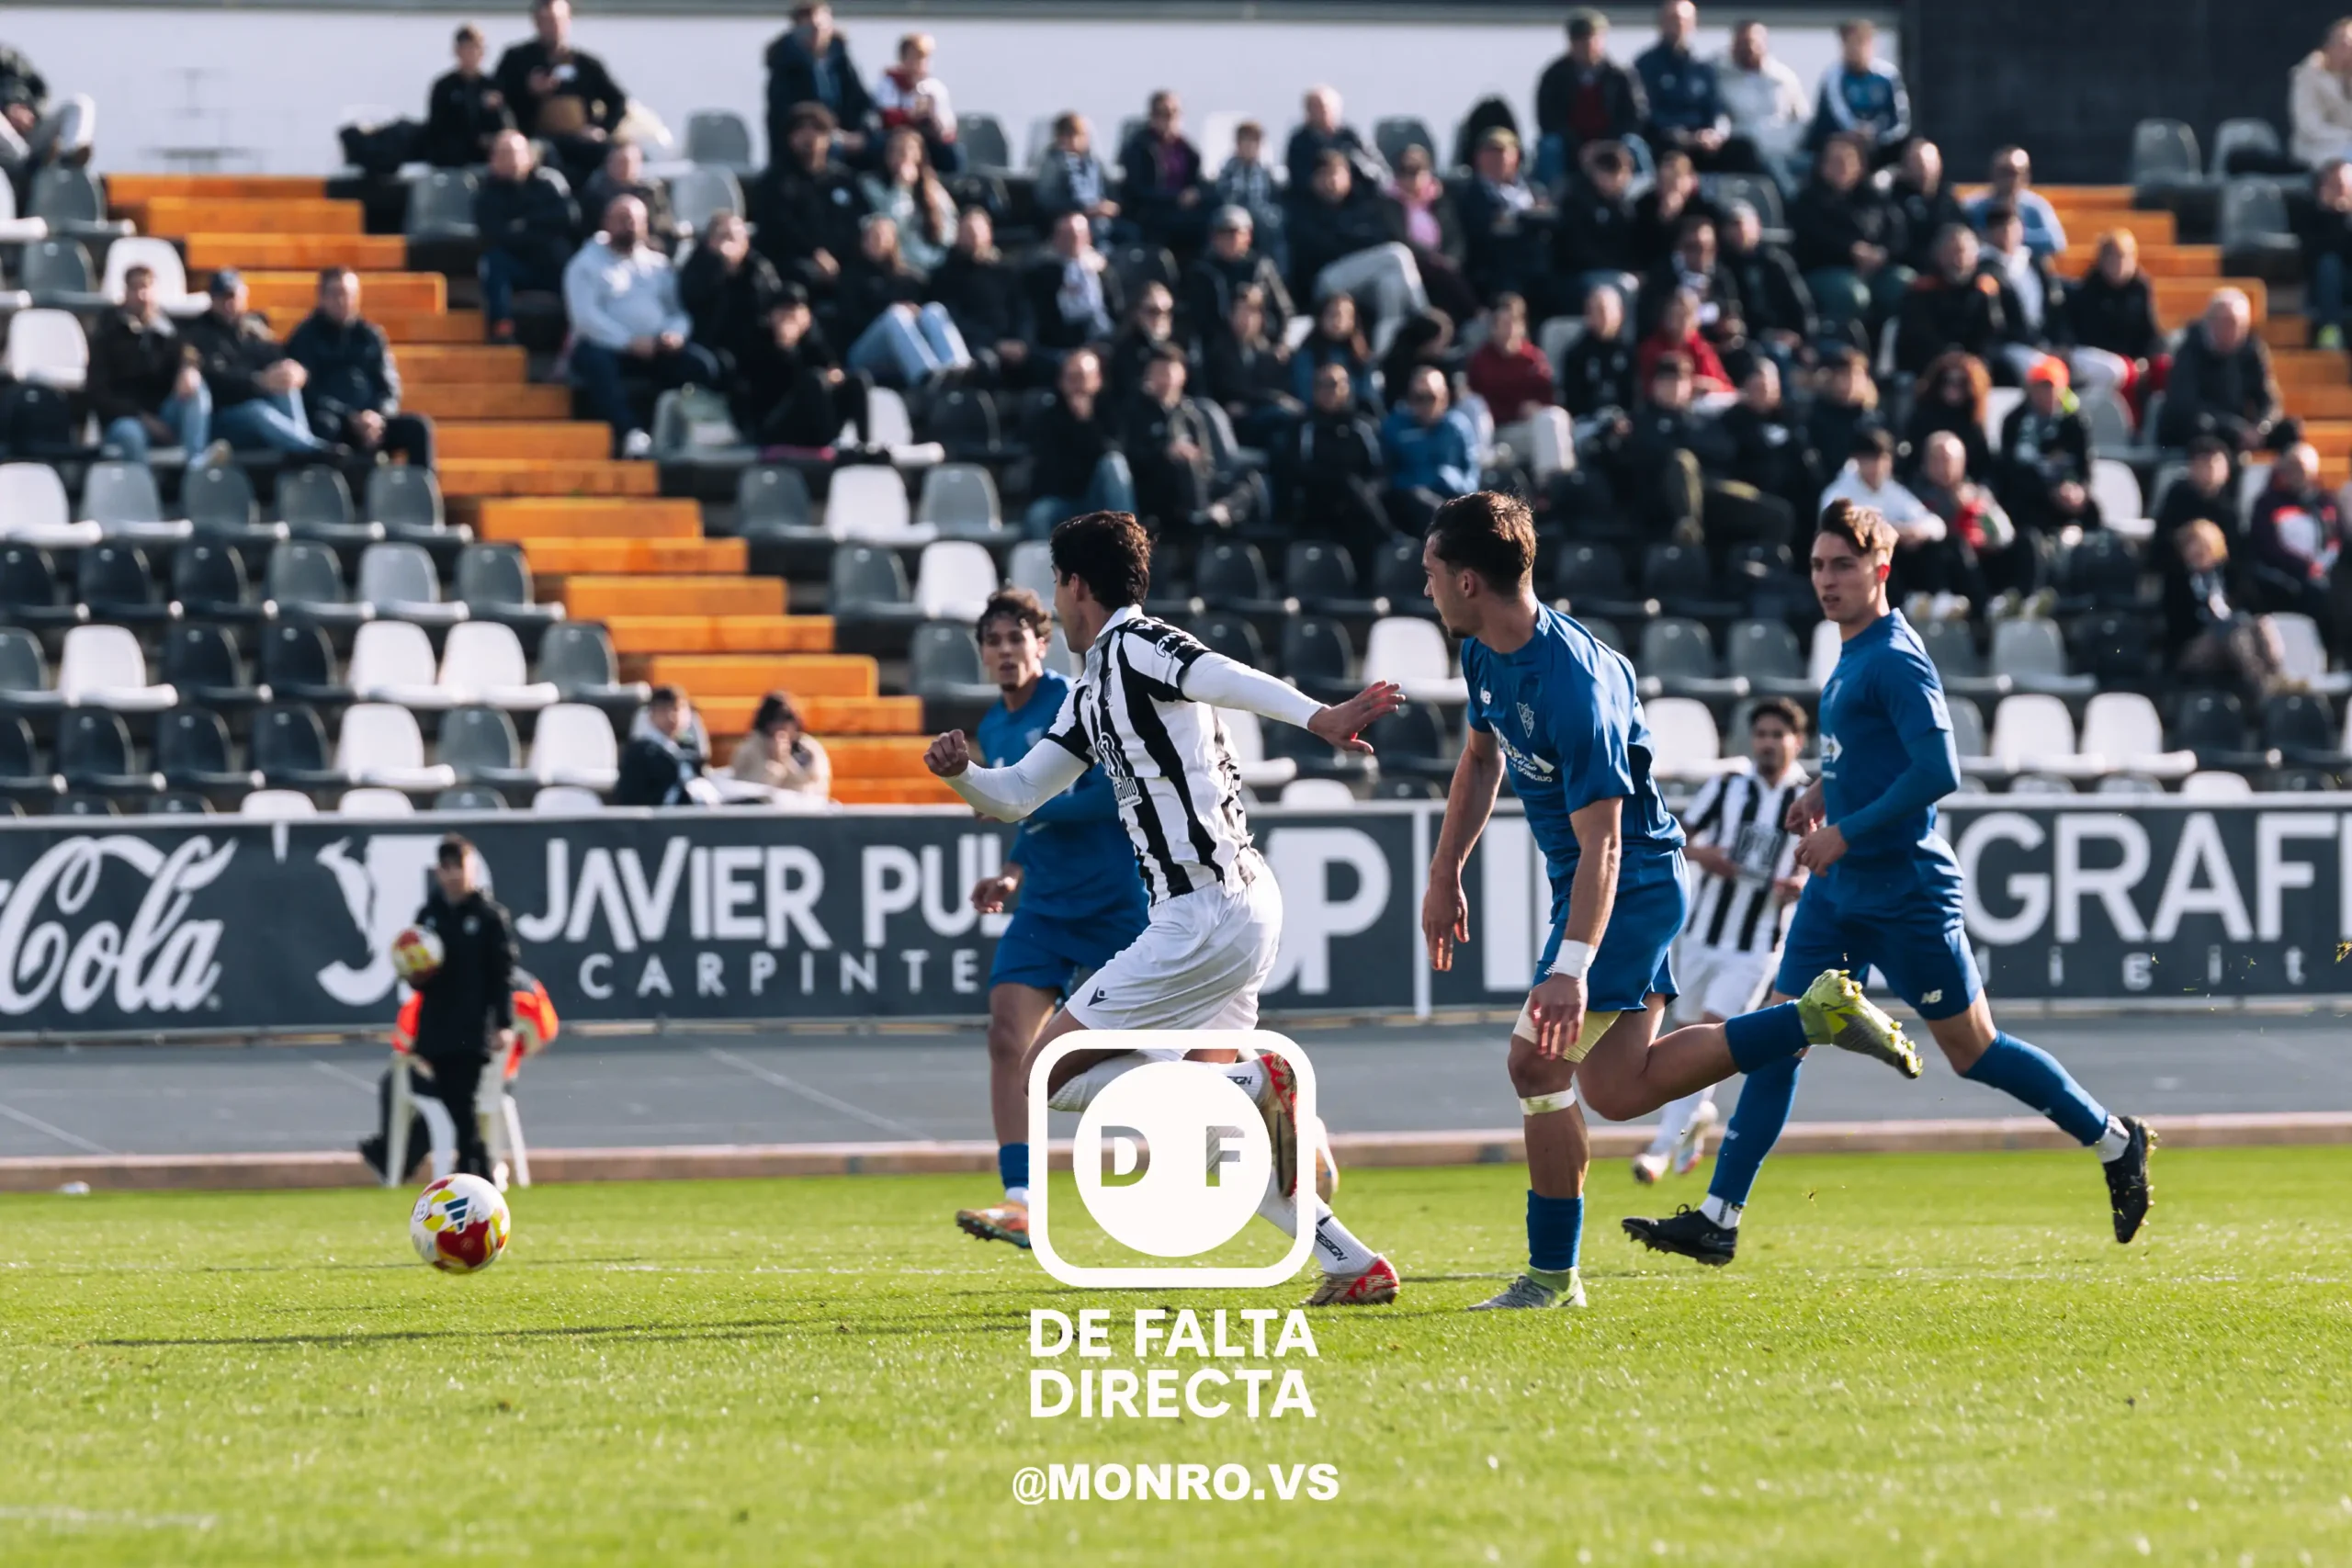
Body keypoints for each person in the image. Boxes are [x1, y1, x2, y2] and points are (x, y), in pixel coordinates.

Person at [1418, 491, 1920, 1311]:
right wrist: (1445, 873)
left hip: (1631, 880)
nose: (1425, 588)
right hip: (1598, 877)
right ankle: (1811, 1017)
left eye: (1432, 572)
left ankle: (1551, 1279)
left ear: (1469, 580)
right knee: (1617, 1089)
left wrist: (1570, 967)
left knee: (1534, 1060)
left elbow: (1608, 842)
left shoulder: (1575, 681)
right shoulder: (1482, 652)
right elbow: (1480, 764)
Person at [1626, 502, 2154, 1269]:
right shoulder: (1850, 652)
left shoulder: (1897, 657)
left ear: (1882, 566)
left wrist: (1846, 828)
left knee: (1974, 1052)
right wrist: (1822, 792)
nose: (1827, 579)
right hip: (1838, 892)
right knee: (1784, 1036)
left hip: (1904, 889)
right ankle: (1718, 1217)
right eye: (1817, 565)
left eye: (1842, 564)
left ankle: (2115, 1139)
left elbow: (1940, 771)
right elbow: (1865, 758)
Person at [924, 510, 1408, 1306]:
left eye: (1056, 581)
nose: (1057, 592)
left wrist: (1319, 717)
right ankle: (1348, 1259)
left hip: (1206, 914)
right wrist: (965, 774)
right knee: (1198, 1126)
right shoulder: (1090, 692)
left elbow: (1217, 673)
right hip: (1227, 911)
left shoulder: (1136, 644)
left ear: (1076, 586)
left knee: (1048, 1067)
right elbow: (1017, 796)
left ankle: (1254, 1083)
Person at [951, 588, 1151, 1249]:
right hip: (1045, 905)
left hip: (1116, 899)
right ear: (982, 653)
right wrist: (1011, 871)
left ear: (1041, 643)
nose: (1005, 651)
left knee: (1162, 1054)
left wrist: (1009, 802)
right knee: (1007, 1035)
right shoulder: (995, 726)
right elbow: (1030, 819)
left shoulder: (1073, 698)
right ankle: (1021, 1200)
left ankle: (1262, 1121)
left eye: (1017, 638)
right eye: (994, 641)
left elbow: (1102, 795)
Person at [1634, 697, 1810, 1186]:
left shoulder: (1809, 795)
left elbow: (1828, 861)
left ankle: (1660, 1149)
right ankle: (1698, 1116)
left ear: (1798, 741)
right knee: (1683, 1041)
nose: (1768, 744)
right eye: (1761, 735)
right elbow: (1680, 837)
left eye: (1778, 734)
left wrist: (1802, 884)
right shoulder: (1728, 786)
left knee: (1712, 1034)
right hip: (1703, 935)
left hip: (1758, 943)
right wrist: (1707, 856)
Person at [395, 836, 520, 1182]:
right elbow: (420, 980)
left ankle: (470, 1172)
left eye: (458, 868)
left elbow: (503, 974)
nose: (452, 876)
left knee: (462, 1100)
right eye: (446, 868)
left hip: (473, 1026)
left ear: (472, 870)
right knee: (454, 1102)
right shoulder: (429, 916)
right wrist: (412, 972)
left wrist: (503, 1023)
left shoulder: (489, 917)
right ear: (438, 872)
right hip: (436, 1026)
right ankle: (482, 1168)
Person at [363, 965, 556, 1186]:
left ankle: (393, 1160)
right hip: (498, 1084)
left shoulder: (445, 981)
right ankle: (478, 1161)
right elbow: (543, 1037)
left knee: (400, 1081)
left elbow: (404, 1040)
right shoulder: (528, 987)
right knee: (456, 1103)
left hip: (447, 1081)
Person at [563, 195, 722, 458]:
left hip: (655, 346)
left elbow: (677, 311)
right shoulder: (584, 264)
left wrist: (674, 334)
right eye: (622, 219)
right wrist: (628, 342)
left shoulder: (658, 265)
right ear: (606, 222)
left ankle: (687, 431)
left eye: (636, 220)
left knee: (702, 365)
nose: (630, 226)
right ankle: (630, 433)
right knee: (595, 362)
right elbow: (585, 318)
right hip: (606, 347)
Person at [286, 267, 435, 469]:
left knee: (418, 427)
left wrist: (377, 416)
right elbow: (309, 394)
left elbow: (390, 388)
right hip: (333, 421)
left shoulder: (371, 336)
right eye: (335, 294)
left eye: (348, 294)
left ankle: (420, 494)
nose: (342, 301)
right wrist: (350, 417)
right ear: (321, 298)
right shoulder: (304, 338)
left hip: (372, 423)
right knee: (324, 426)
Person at [182, 270, 334, 458]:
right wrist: (259, 382)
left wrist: (295, 371)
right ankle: (311, 449)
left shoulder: (255, 328)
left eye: (233, 296)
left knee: (285, 384)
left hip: (263, 410)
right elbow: (216, 381)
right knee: (256, 411)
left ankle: (302, 448)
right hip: (221, 417)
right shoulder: (199, 333)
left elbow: (279, 359)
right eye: (223, 297)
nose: (229, 303)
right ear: (212, 299)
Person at [492, 0, 626, 189]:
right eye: (545, 21)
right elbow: (497, 98)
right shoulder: (516, 59)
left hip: (579, 138)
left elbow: (618, 100)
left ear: (568, 21)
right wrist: (527, 90)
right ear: (536, 22)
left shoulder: (587, 64)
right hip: (537, 138)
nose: (552, 27)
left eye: (557, 20)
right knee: (542, 156)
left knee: (614, 155)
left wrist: (602, 128)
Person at [1791, 132, 1908, 340]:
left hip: (1876, 268)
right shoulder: (1808, 199)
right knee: (1852, 294)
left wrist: (1883, 253)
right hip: (1827, 269)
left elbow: (1895, 229)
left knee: (1904, 284)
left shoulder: (1873, 197)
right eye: (1834, 161)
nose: (1841, 167)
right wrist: (1850, 250)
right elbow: (1812, 237)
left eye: (1847, 161)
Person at [90, 265, 210, 464]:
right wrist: (142, 418)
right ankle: (146, 492)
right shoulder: (108, 333)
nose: (142, 295)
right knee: (131, 435)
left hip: (163, 413)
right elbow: (98, 392)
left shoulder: (165, 328)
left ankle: (196, 467)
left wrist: (189, 368)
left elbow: (189, 351)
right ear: (125, 292)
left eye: (146, 287)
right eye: (135, 288)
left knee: (198, 390)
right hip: (125, 418)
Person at [1287, 149, 1419, 328]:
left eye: (1336, 174)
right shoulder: (1303, 210)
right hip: (1325, 280)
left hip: (1361, 278)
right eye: (1324, 175)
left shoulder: (1360, 203)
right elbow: (1325, 248)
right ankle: (1424, 316)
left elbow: (1378, 237)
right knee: (1398, 253)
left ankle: (1383, 351)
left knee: (1390, 285)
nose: (1331, 181)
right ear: (1313, 180)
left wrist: (1351, 238)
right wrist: (1355, 239)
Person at [838, 214, 971, 389]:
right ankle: (928, 379)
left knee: (933, 310)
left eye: (883, 236)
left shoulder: (910, 278)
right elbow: (851, 319)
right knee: (896, 316)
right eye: (872, 236)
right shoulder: (851, 277)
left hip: (906, 350)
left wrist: (914, 313)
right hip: (864, 351)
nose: (877, 241)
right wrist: (892, 313)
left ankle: (960, 370)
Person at [475, 130, 579, 344]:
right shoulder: (486, 194)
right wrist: (539, 228)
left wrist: (523, 225)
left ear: (529, 157)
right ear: (492, 159)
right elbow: (495, 234)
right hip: (516, 265)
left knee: (570, 260)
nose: (510, 159)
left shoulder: (547, 184)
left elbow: (568, 217)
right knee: (493, 262)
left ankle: (575, 335)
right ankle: (501, 328)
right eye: (503, 154)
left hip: (551, 264)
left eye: (515, 153)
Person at [736, 282, 866, 451]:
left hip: (813, 422)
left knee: (857, 379)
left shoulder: (812, 341)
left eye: (795, 312)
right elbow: (773, 386)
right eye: (784, 312)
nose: (790, 318)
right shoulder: (758, 341)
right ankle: (832, 445)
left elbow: (830, 368)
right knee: (813, 380)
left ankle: (865, 443)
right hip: (774, 424)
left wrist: (834, 376)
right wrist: (785, 347)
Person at [2246, 442, 2351, 652]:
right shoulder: (2267, 503)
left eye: (2301, 468)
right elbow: (2268, 546)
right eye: (2290, 467)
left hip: (2327, 570)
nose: (2296, 474)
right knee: (2318, 595)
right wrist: (2304, 567)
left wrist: (2323, 564)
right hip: (2287, 576)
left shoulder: (2325, 501)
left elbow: (2337, 538)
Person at [2156, 289, 2286, 455]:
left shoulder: (2251, 350)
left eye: (2238, 324)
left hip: (2242, 429)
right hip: (2203, 426)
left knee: (2289, 431)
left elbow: (2270, 400)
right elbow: (2186, 405)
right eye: (2225, 322)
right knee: (2204, 428)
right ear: (2210, 322)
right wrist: (2234, 427)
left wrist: (2261, 427)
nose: (2231, 330)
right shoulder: (2189, 349)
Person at [2168, 517, 2282, 701]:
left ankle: (2276, 676)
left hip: (2235, 637)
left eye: (2203, 546)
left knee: (2262, 623)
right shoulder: (2177, 582)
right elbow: (2178, 626)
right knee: (2232, 629)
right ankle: (2264, 690)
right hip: (2194, 646)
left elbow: (2251, 609)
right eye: (2191, 546)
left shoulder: (2231, 576)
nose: (2197, 551)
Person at [1635, 1, 1758, 173]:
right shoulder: (1645, 66)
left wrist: (1716, 134)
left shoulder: (1702, 68)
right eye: (1673, 20)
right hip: (1669, 142)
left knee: (1743, 149)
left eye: (1684, 21)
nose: (1678, 26)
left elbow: (1717, 108)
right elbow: (1647, 114)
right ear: (1661, 23)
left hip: (1704, 142)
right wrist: (1685, 137)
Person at [1023, 348, 1134, 537]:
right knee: (1039, 514)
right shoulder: (1048, 415)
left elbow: (1113, 452)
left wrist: (1086, 423)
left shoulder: (1111, 412)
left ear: (1097, 380)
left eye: (1082, 377)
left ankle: (1128, 547)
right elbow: (1047, 469)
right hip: (1064, 499)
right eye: (1070, 378)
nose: (1076, 385)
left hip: (1100, 499)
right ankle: (1043, 566)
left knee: (1114, 463)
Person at [1533, 8, 1647, 188]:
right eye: (1579, 39)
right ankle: (1551, 196)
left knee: (1634, 145)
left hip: (1612, 142)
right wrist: (1579, 146)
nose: (1586, 44)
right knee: (1549, 146)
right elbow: (1548, 119)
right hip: (1571, 145)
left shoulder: (1620, 75)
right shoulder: (1554, 76)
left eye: (1591, 38)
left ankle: (1641, 195)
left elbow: (1635, 116)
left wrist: (1606, 144)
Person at [1291, 360, 1391, 558]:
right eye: (1321, 385)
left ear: (1347, 387)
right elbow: (1297, 470)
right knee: (1346, 482)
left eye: (1334, 384)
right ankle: (1390, 536)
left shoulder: (1362, 426)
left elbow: (1380, 472)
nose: (1328, 391)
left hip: (1358, 503)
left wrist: (1366, 492)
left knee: (1356, 497)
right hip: (1317, 503)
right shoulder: (1304, 427)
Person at [2064, 230, 2167, 416]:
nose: (2118, 264)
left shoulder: (2140, 289)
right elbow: (2089, 334)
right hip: (2103, 358)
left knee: (2164, 368)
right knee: (2123, 372)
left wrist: (2145, 360)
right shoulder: (2088, 291)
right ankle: (2130, 427)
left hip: (2135, 359)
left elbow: (2150, 332)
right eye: (2112, 257)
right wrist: (2128, 362)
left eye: (2124, 257)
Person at [932, 208, 1037, 388]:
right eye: (967, 232)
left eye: (978, 232)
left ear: (989, 234)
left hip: (1013, 343)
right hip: (974, 345)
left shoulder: (1006, 271)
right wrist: (995, 344)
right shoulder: (945, 275)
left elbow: (1023, 311)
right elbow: (953, 322)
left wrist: (1023, 342)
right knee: (987, 364)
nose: (973, 237)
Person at [679, 210, 787, 378]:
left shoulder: (758, 268)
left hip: (751, 339)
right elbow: (693, 302)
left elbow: (769, 303)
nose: (729, 243)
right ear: (709, 241)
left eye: (735, 237)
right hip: (711, 341)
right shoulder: (696, 267)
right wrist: (720, 268)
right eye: (722, 237)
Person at [1996, 356, 2098, 536]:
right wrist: (2049, 492)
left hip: (2066, 494)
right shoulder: (2014, 421)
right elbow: (2009, 469)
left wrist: (2079, 491)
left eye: (2052, 388)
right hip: (2029, 496)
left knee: (2092, 511)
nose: (2047, 394)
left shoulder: (2075, 423)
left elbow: (2085, 466)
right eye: (2041, 388)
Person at [765, 1, 875, 164]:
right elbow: (785, 116)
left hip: (844, 136)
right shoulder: (784, 65)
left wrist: (864, 131)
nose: (815, 34)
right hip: (806, 141)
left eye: (821, 28)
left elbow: (860, 101)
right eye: (808, 29)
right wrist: (829, 135)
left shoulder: (840, 61)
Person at [1454, 128, 1551, 309]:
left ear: (1516, 156)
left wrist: (1523, 219)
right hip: (1496, 269)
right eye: (1489, 152)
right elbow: (1485, 227)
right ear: (1478, 157)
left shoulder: (1535, 190)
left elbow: (1548, 219)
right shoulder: (1470, 193)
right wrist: (1526, 219)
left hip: (1538, 266)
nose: (1497, 158)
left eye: (1502, 152)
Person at [1380, 365, 1482, 535]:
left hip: (1454, 499)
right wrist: (1422, 482)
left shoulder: (1458, 427)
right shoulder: (1394, 428)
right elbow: (1386, 477)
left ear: (1444, 398)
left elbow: (1472, 477)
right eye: (1417, 398)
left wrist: (1449, 478)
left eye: (1430, 398)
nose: (1424, 405)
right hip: (1411, 506)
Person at [1893, 223, 2003, 378]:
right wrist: (1951, 359)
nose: (1957, 259)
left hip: (1976, 367)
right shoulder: (1922, 288)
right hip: (1928, 368)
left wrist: (1971, 361)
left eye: (1962, 252)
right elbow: (1917, 337)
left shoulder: (1985, 288)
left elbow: (1993, 333)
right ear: (1938, 254)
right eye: (1951, 252)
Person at [1202, 284, 1301, 452]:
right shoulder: (1218, 350)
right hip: (1238, 422)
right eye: (1242, 312)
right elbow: (1230, 389)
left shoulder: (1268, 352)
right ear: (1231, 315)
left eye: (1253, 313)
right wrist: (1271, 399)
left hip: (1264, 412)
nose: (1247, 319)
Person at [1182, 206, 1293, 354]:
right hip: (1216, 350)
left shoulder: (1262, 268)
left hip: (1260, 345)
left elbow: (1284, 310)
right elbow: (1196, 320)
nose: (1230, 240)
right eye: (1223, 234)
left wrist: (1280, 344)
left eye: (1235, 233)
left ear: (1248, 236)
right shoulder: (1201, 271)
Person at [1552, 141, 1643, 313]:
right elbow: (1578, 250)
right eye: (1608, 171)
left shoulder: (1626, 207)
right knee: (1624, 286)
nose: (1615, 178)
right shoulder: (1576, 202)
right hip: (1581, 274)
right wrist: (1619, 267)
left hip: (1614, 271)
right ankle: (1622, 339)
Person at [1980, 203, 2065, 385]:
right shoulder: (1984, 269)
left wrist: (2060, 342)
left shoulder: (2035, 263)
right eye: (2000, 227)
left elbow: (2055, 305)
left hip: (2045, 340)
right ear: (1988, 232)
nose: (2007, 233)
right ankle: (2063, 409)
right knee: (2045, 371)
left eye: (2012, 226)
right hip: (2009, 345)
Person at [1720, 200, 1815, 366]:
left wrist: (1803, 340)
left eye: (1741, 224)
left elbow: (1801, 305)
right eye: (1732, 226)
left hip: (1785, 336)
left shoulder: (1775, 262)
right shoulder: (1722, 268)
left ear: (1757, 226)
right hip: (1748, 340)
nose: (1738, 231)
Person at [1467, 293, 1563, 454]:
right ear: (1493, 328)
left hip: (1532, 426)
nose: (1509, 331)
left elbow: (1548, 396)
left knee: (1554, 419)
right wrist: (1516, 410)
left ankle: (1554, 477)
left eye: (1513, 323)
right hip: (1499, 433)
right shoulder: (1480, 361)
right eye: (1503, 324)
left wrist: (1536, 407)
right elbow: (1479, 407)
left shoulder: (1533, 358)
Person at [1807, 17, 1909, 168]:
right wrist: (1856, 131)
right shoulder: (1832, 76)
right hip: (1844, 145)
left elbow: (1901, 121)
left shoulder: (1888, 75)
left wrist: (1876, 133)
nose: (1855, 49)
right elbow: (1838, 114)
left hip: (1882, 145)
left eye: (1861, 42)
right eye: (1850, 43)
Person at [1718, 19, 1808, 187]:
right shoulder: (1722, 79)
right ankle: (1795, 208)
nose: (1748, 48)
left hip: (1787, 152)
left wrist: (1791, 142)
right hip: (1749, 157)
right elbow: (1721, 120)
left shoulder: (1784, 78)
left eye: (1752, 42)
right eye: (1742, 43)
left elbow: (1801, 117)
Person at [857, 127, 956, 278]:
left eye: (909, 150)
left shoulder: (934, 189)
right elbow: (892, 226)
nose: (903, 157)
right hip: (895, 269)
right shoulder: (871, 186)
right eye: (896, 151)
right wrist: (902, 187)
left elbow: (949, 232)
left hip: (933, 267)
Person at [1026, 211, 1123, 363]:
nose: (1074, 241)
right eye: (1067, 236)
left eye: (1079, 235)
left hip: (1100, 337)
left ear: (1088, 238)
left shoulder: (1103, 270)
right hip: (1059, 341)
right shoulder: (1040, 272)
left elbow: (1115, 308)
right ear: (1056, 239)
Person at [1118, 90, 1205, 254]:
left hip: (1184, 211)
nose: (1169, 119)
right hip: (1151, 211)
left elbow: (1196, 182)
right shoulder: (1139, 148)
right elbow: (1137, 189)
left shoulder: (1187, 150)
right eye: (1162, 113)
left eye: (1174, 113)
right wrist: (1175, 198)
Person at [422, 24, 513, 168]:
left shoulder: (493, 85)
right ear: (457, 51)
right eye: (466, 48)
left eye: (476, 48)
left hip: (487, 157)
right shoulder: (444, 86)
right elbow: (437, 128)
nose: (471, 53)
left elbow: (507, 125)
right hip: (453, 157)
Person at [0, 40, 94, 181]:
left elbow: (42, 91)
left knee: (80, 103)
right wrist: (7, 109)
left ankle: (70, 157)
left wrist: (32, 113)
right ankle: (26, 164)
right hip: (8, 148)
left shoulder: (12, 59)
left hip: (31, 133)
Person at [1900, 349, 1993, 481]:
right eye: (1947, 381)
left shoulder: (1973, 422)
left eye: (1961, 383)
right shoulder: (1922, 418)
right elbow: (1911, 461)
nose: (1953, 388)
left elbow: (1981, 466)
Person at [872, 32, 956, 171]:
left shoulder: (935, 88)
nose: (919, 63)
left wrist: (933, 118)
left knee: (952, 154)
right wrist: (911, 116)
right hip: (895, 136)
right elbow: (886, 116)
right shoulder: (889, 83)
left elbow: (947, 127)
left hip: (926, 137)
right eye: (914, 57)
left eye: (923, 58)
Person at [578, 140, 681, 254]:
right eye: (617, 162)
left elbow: (664, 228)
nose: (621, 168)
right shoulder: (596, 193)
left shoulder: (650, 192)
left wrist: (653, 244)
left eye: (626, 163)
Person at [615, 685, 709, 806]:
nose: (671, 716)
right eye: (663, 710)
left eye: (676, 709)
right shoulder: (639, 753)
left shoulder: (689, 749)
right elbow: (629, 797)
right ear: (651, 714)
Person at [1285, 86, 1386, 196]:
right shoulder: (1299, 141)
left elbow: (1378, 170)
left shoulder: (1351, 136)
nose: (1320, 112)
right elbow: (1298, 177)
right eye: (1313, 108)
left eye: (1323, 107)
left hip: (1354, 199)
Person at [1967, 145, 2065, 258]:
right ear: (1993, 173)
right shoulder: (1974, 207)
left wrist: (2014, 237)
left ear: (2026, 176)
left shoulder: (2035, 207)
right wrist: (1987, 238)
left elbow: (2056, 242)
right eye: (2004, 172)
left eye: (2015, 173)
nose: (2009, 179)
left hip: (2026, 270)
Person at [2153, 436, 2244, 555]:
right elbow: (2162, 540)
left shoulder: (2233, 496)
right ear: (2192, 467)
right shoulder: (2178, 496)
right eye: (2205, 464)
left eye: (2217, 464)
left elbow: (2235, 546)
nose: (2211, 470)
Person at [729, 691, 831, 799]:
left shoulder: (808, 749)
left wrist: (786, 760)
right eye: (774, 719)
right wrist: (774, 766)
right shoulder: (749, 750)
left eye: (787, 719)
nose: (781, 726)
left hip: (800, 811)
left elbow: (813, 788)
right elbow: (746, 792)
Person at [1035, 112, 1120, 240]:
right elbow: (1048, 201)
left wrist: (1111, 205)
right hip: (1068, 221)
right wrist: (1084, 209)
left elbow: (1108, 189)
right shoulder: (1052, 163)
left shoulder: (1093, 162)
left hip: (1101, 220)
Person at [1557, 284, 1637, 419]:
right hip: (1587, 422)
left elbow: (1636, 397)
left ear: (1620, 313)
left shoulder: (1629, 351)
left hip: (1625, 422)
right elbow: (1573, 401)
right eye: (1597, 311)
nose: (1604, 317)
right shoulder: (1576, 353)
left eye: (1608, 311)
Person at [1633, 287, 1730, 395]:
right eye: (1674, 314)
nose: (1679, 320)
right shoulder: (1651, 349)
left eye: (1685, 314)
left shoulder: (1702, 349)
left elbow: (1726, 389)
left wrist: (1710, 386)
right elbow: (1647, 389)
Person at [2297, 161, 2352, 351]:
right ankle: (2330, 330)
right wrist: (2335, 215)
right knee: (2329, 265)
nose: (2341, 190)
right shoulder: (2308, 214)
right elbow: (2313, 255)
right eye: (2335, 184)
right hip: (2326, 287)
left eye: (2343, 184)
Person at [1887, 140, 1964, 274]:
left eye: (1928, 164)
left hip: (1948, 268)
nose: (1923, 170)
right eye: (1916, 164)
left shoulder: (1948, 199)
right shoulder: (1893, 199)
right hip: (1910, 266)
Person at [1104, 282, 1184, 409]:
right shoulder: (1124, 352)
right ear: (1138, 313)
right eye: (1153, 311)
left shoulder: (1180, 346)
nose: (1161, 318)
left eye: (1167, 312)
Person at [1290, 291, 1375, 410]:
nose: (1338, 321)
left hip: (1352, 417)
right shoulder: (1307, 354)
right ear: (1321, 317)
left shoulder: (1360, 357)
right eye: (1333, 315)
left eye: (1346, 316)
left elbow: (1368, 394)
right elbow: (1305, 393)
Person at [2291, 19, 2352, 169]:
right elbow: (2309, 127)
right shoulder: (2307, 76)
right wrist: (2347, 136)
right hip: (2316, 150)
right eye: (2344, 44)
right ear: (2329, 46)